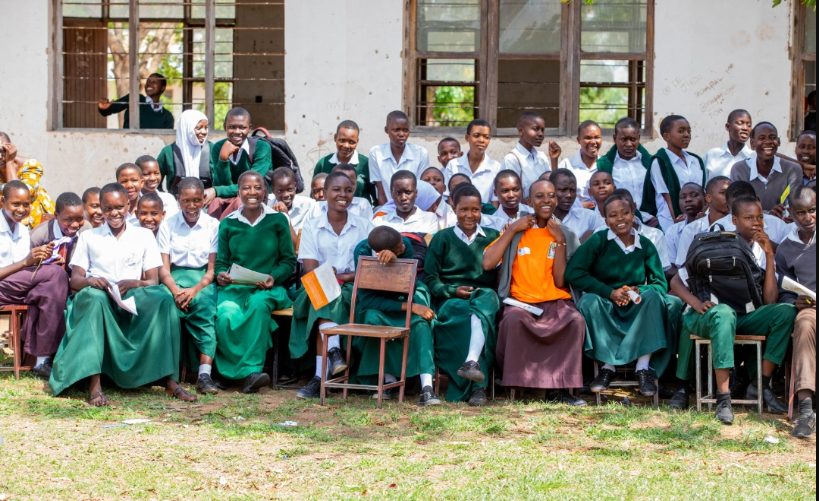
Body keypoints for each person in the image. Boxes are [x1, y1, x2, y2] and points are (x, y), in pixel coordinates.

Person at [49, 183, 194, 406]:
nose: (114, 213)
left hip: (132, 295)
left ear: (129, 206)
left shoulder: (144, 236)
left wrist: (134, 282)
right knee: (95, 300)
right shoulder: (90, 237)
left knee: (164, 299)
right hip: (99, 296)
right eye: (107, 208)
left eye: (119, 207)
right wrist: (91, 281)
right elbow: (75, 280)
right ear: (101, 209)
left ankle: (170, 380)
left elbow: (152, 280)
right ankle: (94, 385)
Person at [670, 196, 796, 424]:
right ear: (735, 220)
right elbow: (676, 282)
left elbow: (769, 301)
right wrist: (696, 303)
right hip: (710, 316)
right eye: (749, 218)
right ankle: (724, 398)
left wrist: (769, 255)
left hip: (745, 315)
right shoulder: (717, 244)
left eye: (759, 217)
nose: (756, 222)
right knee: (724, 313)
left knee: (785, 311)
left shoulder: (762, 248)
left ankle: (762, 385)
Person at [483, 179, 586, 406]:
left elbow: (560, 281)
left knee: (574, 320)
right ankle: (519, 384)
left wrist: (560, 243)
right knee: (512, 321)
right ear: (529, 202)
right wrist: (511, 229)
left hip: (555, 300)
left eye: (550, 196)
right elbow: (488, 263)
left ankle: (559, 390)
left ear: (556, 200)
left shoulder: (566, 233)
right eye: (539, 196)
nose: (546, 201)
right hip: (520, 302)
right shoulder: (518, 231)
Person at [565, 192, 670, 397]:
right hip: (606, 302)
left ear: (633, 215)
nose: (620, 219)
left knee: (654, 297)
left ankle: (643, 368)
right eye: (613, 215)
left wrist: (640, 290)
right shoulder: (599, 240)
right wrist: (609, 292)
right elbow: (573, 272)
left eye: (625, 213)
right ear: (605, 219)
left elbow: (659, 283)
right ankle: (608, 367)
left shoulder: (646, 245)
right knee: (588, 301)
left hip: (635, 304)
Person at [291, 172, 374, 399]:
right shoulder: (312, 226)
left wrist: (344, 277)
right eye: (336, 189)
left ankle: (320, 377)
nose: (343, 194)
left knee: (331, 296)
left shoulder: (365, 226)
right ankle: (334, 351)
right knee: (323, 290)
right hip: (315, 286)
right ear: (325, 193)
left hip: (353, 288)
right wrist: (332, 276)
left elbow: (368, 269)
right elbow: (310, 269)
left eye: (348, 190)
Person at [214, 171, 296, 393]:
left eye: (258, 187)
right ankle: (227, 373)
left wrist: (273, 277)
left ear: (265, 191)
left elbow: (289, 260)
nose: (252, 192)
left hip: (268, 288)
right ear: (239, 192)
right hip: (235, 288)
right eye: (247, 188)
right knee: (226, 314)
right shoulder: (228, 224)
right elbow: (221, 264)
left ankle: (251, 372)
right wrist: (221, 276)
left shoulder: (277, 220)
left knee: (258, 307)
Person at [424, 185, 501, 406]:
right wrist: (452, 291)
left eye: (475, 210)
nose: (470, 215)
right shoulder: (442, 238)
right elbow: (430, 279)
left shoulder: (493, 237)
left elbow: (500, 275)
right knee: (475, 321)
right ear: (454, 209)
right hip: (451, 300)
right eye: (464, 209)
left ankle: (471, 362)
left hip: (483, 297)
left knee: (487, 300)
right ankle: (479, 388)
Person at [351, 227, 441, 406]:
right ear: (380, 252)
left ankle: (427, 388)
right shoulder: (361, 252)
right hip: (377, 306)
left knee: (421, 324)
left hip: (402, 298)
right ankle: (389, 382)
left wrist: (397, 260)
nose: (404, 247)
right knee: (373, 320)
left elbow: (410, 288)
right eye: (398, 247)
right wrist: (411, 306)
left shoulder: (404, 244)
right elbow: (368, 300)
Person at [0, 181, 69, 380]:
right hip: (3, 287)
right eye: (16, 204)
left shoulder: (21, 230)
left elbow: (26, 270)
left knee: (50, 286)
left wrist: (45, 260)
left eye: (26, 204)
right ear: (3, 200)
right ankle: (46, 357)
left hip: (14, 287)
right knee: (55, 276)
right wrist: (26, 262)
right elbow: (22, 265)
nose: (22, 209)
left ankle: (41, 362)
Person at [157, 177, 220, 395]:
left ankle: (204, 374)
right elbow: (163, 268)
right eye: (186, 201)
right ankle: (167, 373)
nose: (192, 206)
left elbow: (211, 270)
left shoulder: (213, 225)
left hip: (201, 281)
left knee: (204, 307)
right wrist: (175, 292)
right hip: (173, 279)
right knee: (165, 305)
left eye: (197, 200)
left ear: (204, 199)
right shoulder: (168, 224)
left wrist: (193, 291)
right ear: (178, 200)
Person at [774, 186, 816, 438]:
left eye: (812, 210)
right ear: (790, 213)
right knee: (803, 323)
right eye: (800, 212)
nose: (808, 217)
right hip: (812, 308)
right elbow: (784, 289)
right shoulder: (786, 247)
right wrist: (794, 300)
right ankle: (806, 410)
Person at [674, 180, 790, 269]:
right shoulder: (718, 228)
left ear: (758, 201)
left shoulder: (778, 224)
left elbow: (790, 258)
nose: (745, 211)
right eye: (736, 208)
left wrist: (768, 245)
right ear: (729, 208)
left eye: (749, 204)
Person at [208, 108, 273, 220]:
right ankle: (212, 233)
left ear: (249, 128)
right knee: (216, 202)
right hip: (231, 198)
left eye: (242, 127)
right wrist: (223, 159)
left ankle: (220, 231)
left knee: (239, 202)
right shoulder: (218, 148)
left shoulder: (261, 148)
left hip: (255, 197)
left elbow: (251, 185)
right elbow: (221, 185)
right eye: (232, 127)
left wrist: (217, 190)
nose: (237, 132)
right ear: (225, 127)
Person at [643, 115, 706, 231]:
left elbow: (702, 192)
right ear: (667, 136)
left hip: (698, 220)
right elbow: (667, 196)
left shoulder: (696, 160)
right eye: (681, 131)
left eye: (689, 131)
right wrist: (679, 219)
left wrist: (701, 216)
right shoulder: (660, 162)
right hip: (671, 221)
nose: (686, 134)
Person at [730, 122, 802, 215]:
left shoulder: (792, 169)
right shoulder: (739, 169)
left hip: (783, 225)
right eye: (762, 138)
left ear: (778, 142)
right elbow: (739, 207)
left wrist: (785, 213)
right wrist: (767, 214)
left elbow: (795, 204)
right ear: (752, 143)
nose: (768, 142)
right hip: (750, 225)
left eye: (772, 137)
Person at [596, 118, 654, 225]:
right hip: (620, 222)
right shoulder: (605, 165)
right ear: (615, 138)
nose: (629, 144)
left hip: (651, 221)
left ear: (639, 138)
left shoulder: (651, 163)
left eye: (633, 139)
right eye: (624, 139)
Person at [369, 111, 429, 206]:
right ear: (386, 130)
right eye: (396, 130)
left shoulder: (421, 153)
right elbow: (381, 192)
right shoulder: (376, 153)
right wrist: (386, 215)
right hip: (386, 208)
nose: (401, 134)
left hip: (412, 209)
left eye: (405, 130)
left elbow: (419, 189)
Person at [501, 112, 561, 200]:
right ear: (521, 131)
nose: (541, 134)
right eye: (535, 129)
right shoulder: (512, 160)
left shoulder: (541, 157)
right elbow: (510, 196)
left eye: (543, 130)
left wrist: (554, 160)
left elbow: (551, 187)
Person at [0, 132, 55, 227]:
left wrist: (10, 162)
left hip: (36, 224)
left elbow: (16, 194)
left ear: (11, 149)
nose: (0, 157)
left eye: (3, 151)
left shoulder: (31, 167)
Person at [29, 192, 92, 275]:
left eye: (80, 218)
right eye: (68, 220)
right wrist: (46, 266)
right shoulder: (38, 236)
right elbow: (27, 268)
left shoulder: (86, 229)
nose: (75, 225)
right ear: (56, 215)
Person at [444, 119, 502, 206]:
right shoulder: (454, 165)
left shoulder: (495, 167)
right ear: (467, 138)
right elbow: (449, 199)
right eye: (476, 135)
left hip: (486, 217)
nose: (481, 140)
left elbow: (495, 202)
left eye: (486, 137)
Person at [157, 110, 212, 196]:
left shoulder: (211, 149)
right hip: (176, 204)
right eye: (199, 128)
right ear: (186, 128)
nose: (204, 132)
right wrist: (166, 199)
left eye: (206, 127)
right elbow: (155, 182)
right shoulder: (168, 152)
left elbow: (221, 182)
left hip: (207, 204)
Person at [314, 121, 372, 202]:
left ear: (357, 141)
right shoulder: (323, 163)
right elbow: (314, 193)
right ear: (335, 137)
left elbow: (376, 196)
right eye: (342, 140)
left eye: (352, 142)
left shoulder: (366, 164)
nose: (346, 145)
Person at [97, 73, 174, 129]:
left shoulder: (167, 116)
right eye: (148, 82)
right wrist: (104, 108)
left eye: (154, 82)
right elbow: (109, 109)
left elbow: (166, 142)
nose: (149, 84)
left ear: (162, 88)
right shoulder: (135, 99)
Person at [372, 172, 439, 235]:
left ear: (416, 193)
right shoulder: (379, 222)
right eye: (398, 193)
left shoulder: (430, 219)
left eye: (408, 192)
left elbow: (430, 245)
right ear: (391, 194)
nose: (403, 198)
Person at [550, 169, 604, 242]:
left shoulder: (589, 217)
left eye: (572, 190)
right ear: (550, 190)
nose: (569, 195)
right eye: (563, 190)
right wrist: (580, 243)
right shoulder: (539, 221)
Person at [268, 166, 318, 243]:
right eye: (280, 191)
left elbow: (298, 247)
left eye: (290, 190)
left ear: (295, 186)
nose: (285, 195)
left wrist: (285, 217)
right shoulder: (267, 206)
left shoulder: (308, 205)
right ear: (273, 189)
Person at [559, 120, 602, 208]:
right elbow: (557, 194)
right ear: (579, 140)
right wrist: (579, 205)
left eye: (597, 137)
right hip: (573, 215)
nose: (593, 142)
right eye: (588, 138)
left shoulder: (605, 165)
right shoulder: (567, 165)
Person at [665, 183, 706, 277]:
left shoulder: (713, 226)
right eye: (683, 197)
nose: (688, 200)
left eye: (694, 195)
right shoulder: (672, 231)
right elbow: (669, 268)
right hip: (684, 282)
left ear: (706, 200)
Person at [703, 110, 754, 181]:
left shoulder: (754, 158)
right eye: (740, 123)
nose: (745, 128)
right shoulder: (711, 155)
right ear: (727, 126)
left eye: (749, 125)